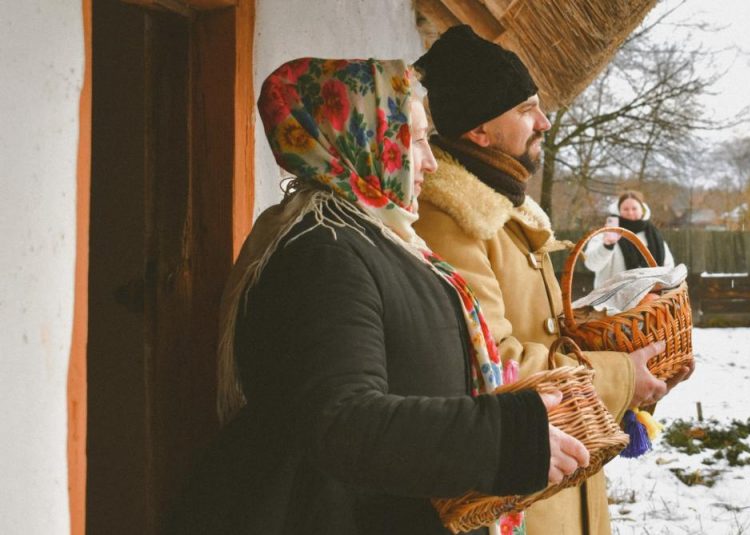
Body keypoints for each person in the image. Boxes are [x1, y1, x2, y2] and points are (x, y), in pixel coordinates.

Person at [165, 58, 591, 535]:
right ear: (368, 140)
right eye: (419, 139)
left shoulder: (383, 240)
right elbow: (342, 421)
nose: (431, 160)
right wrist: (507, 440)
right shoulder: (323, 253)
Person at [413, 26, 672, 535]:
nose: (545, 121)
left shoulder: (505, 209)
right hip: (521, 497)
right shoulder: (450, 220)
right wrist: (620, 376)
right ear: (479, 131)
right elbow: (495, 362)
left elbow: (545, 332)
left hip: (557, 471)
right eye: (525, 109)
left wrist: (618, 336)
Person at [584, 191, 676, 289]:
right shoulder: (604, 235)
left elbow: (669, 268)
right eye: (625, 209)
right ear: (618, 211)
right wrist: (607, 246)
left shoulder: (655, 236)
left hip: (651, 298)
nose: (630, 212)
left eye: (634, 208)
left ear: (643, 210)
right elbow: (591, 264)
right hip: (611, 299)